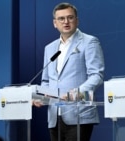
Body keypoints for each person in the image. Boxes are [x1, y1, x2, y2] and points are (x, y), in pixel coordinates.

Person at [33, 2, 105, 141]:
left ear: (77, 20)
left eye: (70, 18)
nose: (66, 22)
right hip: (54, 114)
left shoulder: (89, 42)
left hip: (79, 113)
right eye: (61, 19)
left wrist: (75, 93)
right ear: (55, 23)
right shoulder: (50, 48)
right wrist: (41, 96)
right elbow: (46, 80)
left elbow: (97, 75)